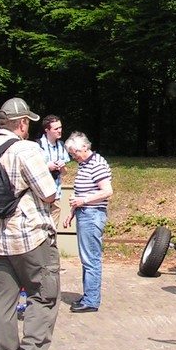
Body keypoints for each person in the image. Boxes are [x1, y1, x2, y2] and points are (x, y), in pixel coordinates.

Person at [0, 97, 61, 350]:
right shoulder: (27, 149)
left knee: (2, 303)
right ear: (23, 123)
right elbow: (48, 193)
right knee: (43, 295)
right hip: (28, 237)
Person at [61, 132, 113, 313]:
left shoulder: (97, 164)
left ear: (84, 147)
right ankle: (88, 294)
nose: (73, 157)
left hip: (92, 215)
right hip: (85, 213)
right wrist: (72, 212)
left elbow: (107, 191)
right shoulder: (85, 164)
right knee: (87, 258)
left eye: (74, 153)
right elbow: (82, 193)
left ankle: (91, 300)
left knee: (91, 258)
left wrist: (83, 201)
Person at [38, 115, 70, 225]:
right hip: (41, 196)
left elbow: (65, 173)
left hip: (56, 196)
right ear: (47, 130)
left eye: (60, 127)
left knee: (53, 230)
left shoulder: (61, 146)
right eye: (56, 129)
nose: (59, 131)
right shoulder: (38, 146)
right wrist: (47, 167)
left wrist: (62, 167)